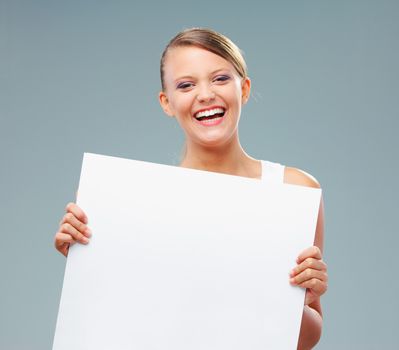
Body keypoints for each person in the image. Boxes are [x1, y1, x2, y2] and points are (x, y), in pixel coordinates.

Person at [54, 27, 328, 349]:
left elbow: (305, 339)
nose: (205, 94)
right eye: (186, 85)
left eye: (220, 79)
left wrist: (303, 297)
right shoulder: (129, 203)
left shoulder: (292, 191)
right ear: (166, 102)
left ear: (245, 88)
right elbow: (113, 324)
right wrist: (84, 259)